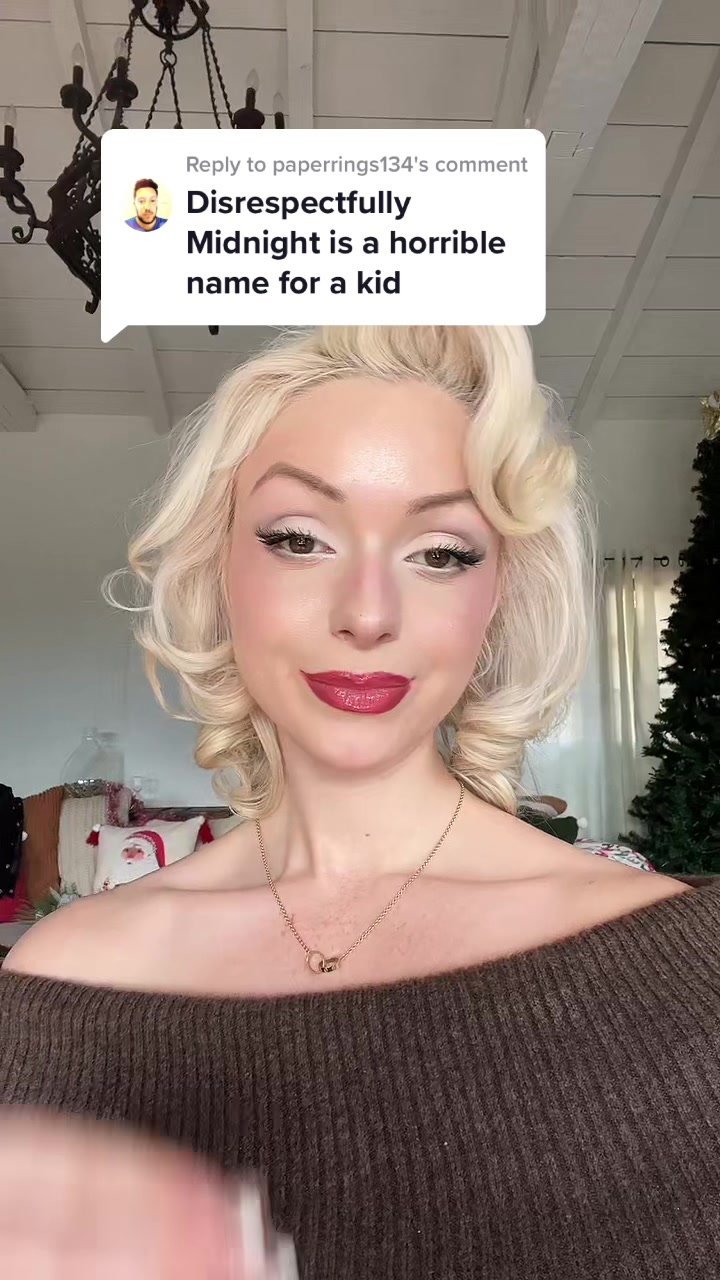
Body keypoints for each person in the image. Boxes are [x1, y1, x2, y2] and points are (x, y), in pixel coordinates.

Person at [1, 325, 719, 1279]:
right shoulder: (63, 986)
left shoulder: (693, 973)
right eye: (299, 540)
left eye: (442, 553)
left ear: (501, 595)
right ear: (219, 567)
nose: (368, 613)